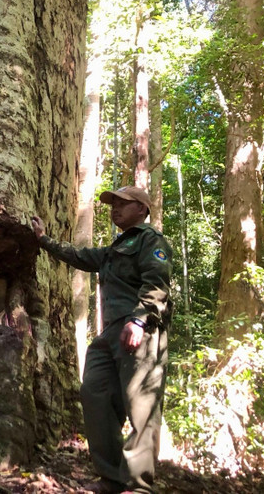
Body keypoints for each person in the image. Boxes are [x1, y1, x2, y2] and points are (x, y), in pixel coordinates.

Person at [30, 186, 172, 494]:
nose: (115, 208)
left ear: (142, 209)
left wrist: (139, 318)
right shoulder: (113, 249)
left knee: (141, 407)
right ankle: (111, 478)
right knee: (95, 395)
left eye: (123, 203)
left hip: (140, 328)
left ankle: (138, 485)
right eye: (113, 204)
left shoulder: (150, 239)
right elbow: (80, 256)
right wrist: (42, 240)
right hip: (109, 334)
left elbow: (157, 281)